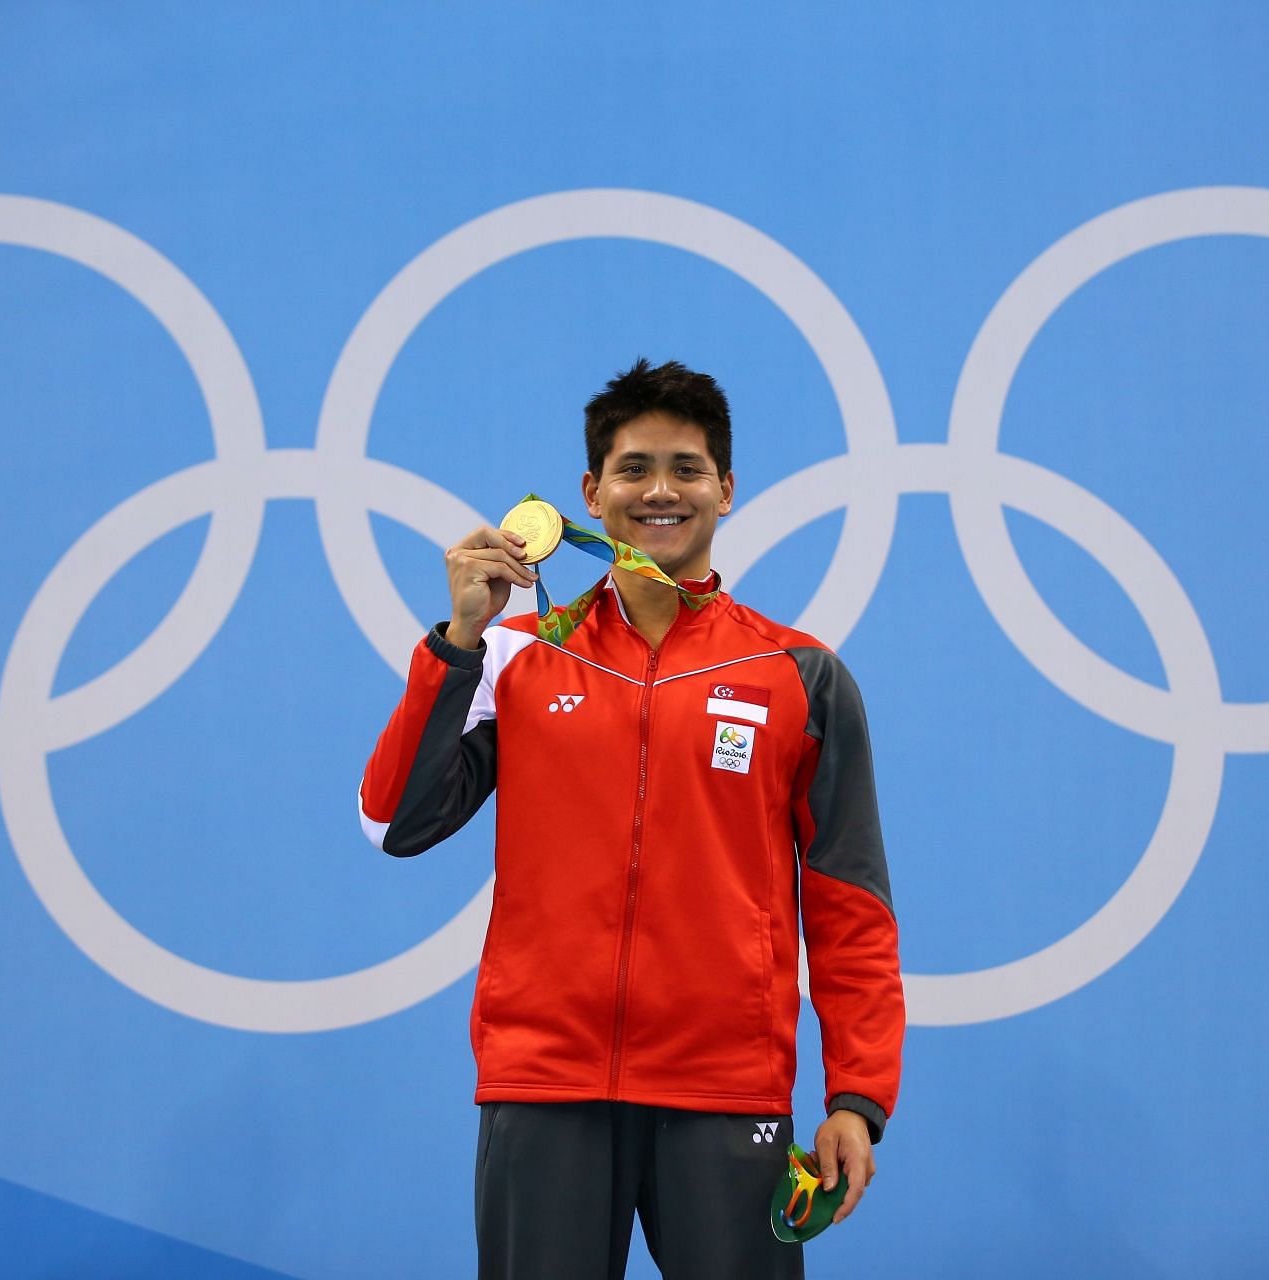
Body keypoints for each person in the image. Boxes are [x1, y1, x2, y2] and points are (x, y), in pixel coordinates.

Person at [359, 358, 904, 1279]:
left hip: (727, 1090)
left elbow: (850, 903)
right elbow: (394, 823)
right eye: (634, 468)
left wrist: (856, 1094)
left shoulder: (799, 675)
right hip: (546, 1084)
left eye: (687, 469)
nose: (661, 490)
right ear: (590, 492)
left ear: (727, 490)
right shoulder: (515, 657)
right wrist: (456, 643)